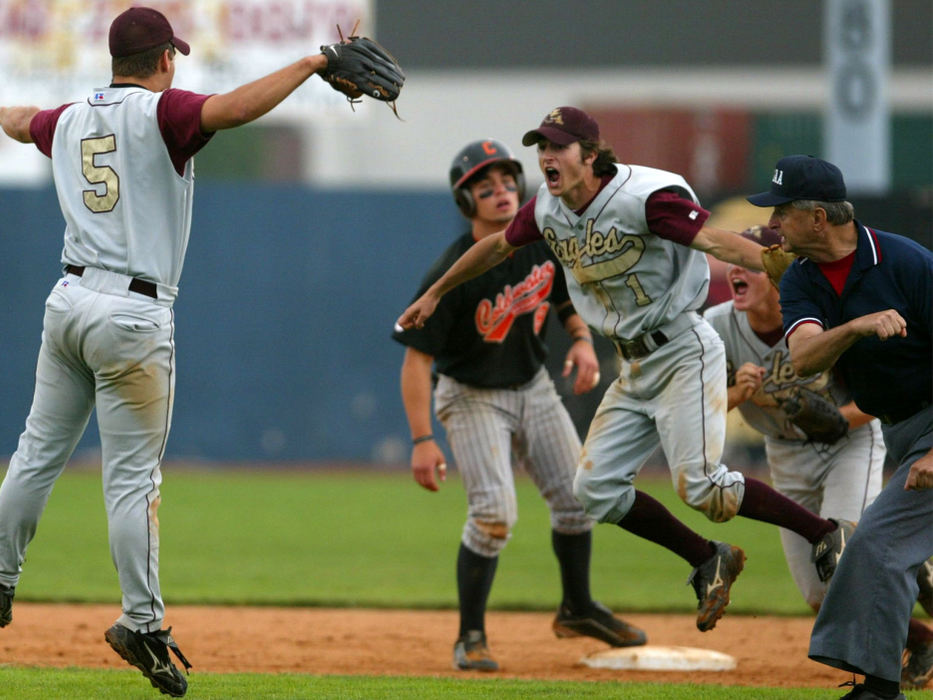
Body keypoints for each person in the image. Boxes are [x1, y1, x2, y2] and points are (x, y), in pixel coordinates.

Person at [0, 7, 350, 697]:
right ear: (164, 58)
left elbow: (25, 119)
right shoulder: (161, 113)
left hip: (68, 303)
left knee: (37, 450)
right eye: (173, 55)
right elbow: (232, 108)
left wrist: (2, 113)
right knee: (131, 481)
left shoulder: (70, 117)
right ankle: (140, 622)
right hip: (133, 314)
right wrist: (314, 63)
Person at [397, 106, 855, 635]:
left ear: (590, 155)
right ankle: (708, 558)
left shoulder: (646, 197)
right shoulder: (546, 208)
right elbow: (495, 248)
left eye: (558, 146)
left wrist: (763, 258)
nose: (546, 155)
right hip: (634, 364)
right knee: (593, 491)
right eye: (540, 146)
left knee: (703, 488)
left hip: (683, 348)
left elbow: (711, 240)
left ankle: (824, 533)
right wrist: (434, 292)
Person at [392, 138, 646, 672]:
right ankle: (470, 637)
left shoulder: (537, 241)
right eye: (486, 188)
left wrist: (579, 339)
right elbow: (416, 362)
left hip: (531, 386)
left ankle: (578, 608)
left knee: (581, 500)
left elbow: (560, 297)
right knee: (494, 515)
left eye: (508, 182)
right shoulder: (455, 271)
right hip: (471, 397)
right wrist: (421, 441)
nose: (502, 193)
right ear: (467, 203)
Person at [703, 223, 933, 689]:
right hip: (784, 455)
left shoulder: (818, 314)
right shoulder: (718, 326)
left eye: (754, 262)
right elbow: (698, 408)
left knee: (848, 550)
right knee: (819, 594)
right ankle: (921, 633)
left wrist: (820, 419)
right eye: (736, 261)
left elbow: (869, 400)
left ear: (780, 273)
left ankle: (885, 655)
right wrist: (734, 393)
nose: (738, 270)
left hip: (848, 444)